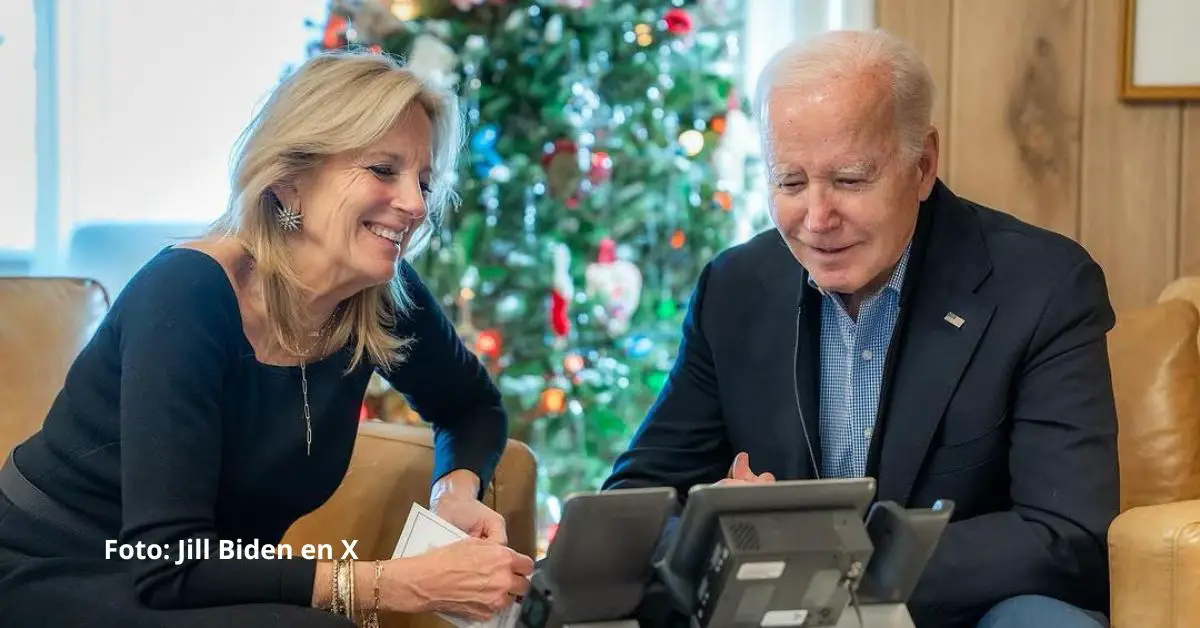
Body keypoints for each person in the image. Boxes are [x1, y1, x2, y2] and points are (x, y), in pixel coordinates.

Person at [603, 29, 1119, 628]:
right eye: (790, 182)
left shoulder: (1043, 286)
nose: (817, 219)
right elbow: (634, 506)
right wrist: (726, 531)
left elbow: (1067, 536)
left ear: (922, 164)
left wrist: (826, 556)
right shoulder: (737, 286)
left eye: (849, 180)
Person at [0, 51, 534, 626]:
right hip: (60, 565)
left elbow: (471, 406)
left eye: (424, 182)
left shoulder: (382, 293)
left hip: (201, 578)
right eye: (383, 170)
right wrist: (383, 584)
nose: (414, 205)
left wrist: (453, 493)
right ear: (289, 182)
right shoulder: (186, 293)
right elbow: (170, 563)